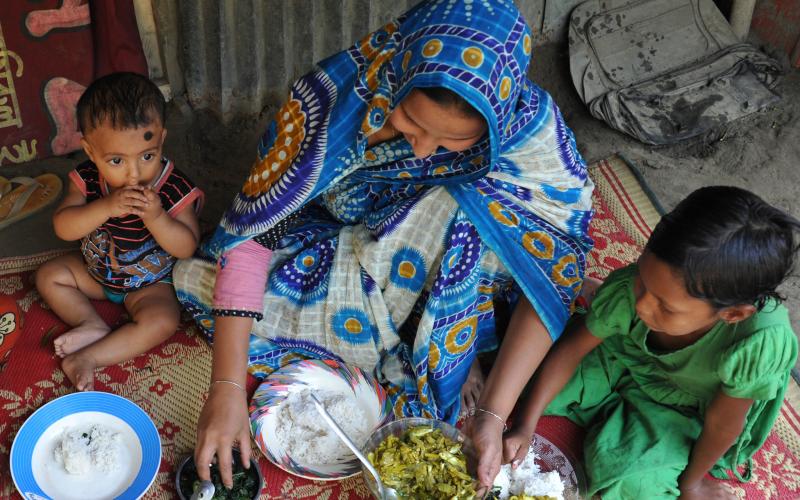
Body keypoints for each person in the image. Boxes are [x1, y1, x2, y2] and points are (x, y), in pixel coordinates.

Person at [174, 0, 594, 488]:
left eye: (448, 144)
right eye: (410, 125)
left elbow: (553, 273)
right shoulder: (333, 100)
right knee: (201, 282)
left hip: (453, 275)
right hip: (338, 242)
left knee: (473, 217)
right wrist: (224, 388)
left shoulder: (530, 135)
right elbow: (257, 231)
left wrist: (494, 417)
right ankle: (428, 343)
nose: (419, 151)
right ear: (399, 70)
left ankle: (455, 345)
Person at [503, 186, 799, 499]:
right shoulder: (632, 291)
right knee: (521, 376)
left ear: (733, 314)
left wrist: (692, 484)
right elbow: (572, 350)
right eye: (642, 279)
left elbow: (722, 424)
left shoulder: (756, 344)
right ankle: (600, 306)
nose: (642, 305)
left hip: (686, 407)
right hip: (625, 355)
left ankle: (632, 427)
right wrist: (525, 425)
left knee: (635, 484)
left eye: (665, 305)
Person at [36, 72, 203, 392]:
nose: (134, 173)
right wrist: (106, 207)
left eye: (147, 155)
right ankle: (91, 323)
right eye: (115, 160)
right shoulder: (85, 178)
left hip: (150, 284)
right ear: (90, 150)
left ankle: (89, 358)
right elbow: (64, 228)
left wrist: (156, 217)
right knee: (49, 275)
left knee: (163, 322)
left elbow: (186, 247)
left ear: (162, 139)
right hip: (95, 273)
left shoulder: (174, 187)